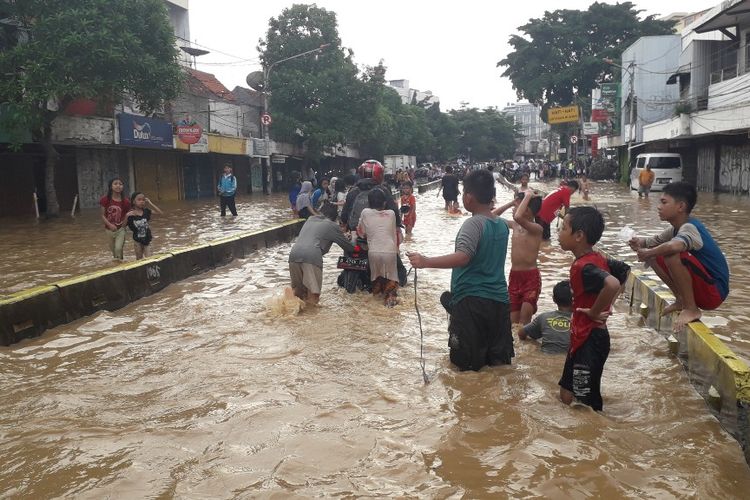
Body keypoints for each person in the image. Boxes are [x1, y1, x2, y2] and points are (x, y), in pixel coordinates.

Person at [408, 169, 514, 371]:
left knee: (464, 368)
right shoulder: (500, 225)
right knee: (499, 365)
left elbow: (464, 257)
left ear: (469, 197)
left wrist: (425, 261)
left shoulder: (472, 224)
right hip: (499, 302)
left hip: (471, 303)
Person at [628, 181, 729, 329]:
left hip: (714, 292)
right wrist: (638, 243)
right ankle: (681, 300)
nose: (658, 206)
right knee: (656, 252)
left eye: (664, 202)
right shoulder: (675, 229)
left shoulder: (690, 228)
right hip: (706, 288)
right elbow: (651, 241)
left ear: (680, 206)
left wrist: (647, 252)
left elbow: (673, 246)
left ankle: (691, 309)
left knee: (671, 253)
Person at [557, 206, 630, 411]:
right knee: (566, 393)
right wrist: (609, 303)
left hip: (590, 338)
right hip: (581, 337)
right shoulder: (598, 258)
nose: (559, 233)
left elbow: (613, 284)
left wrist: (596, 311)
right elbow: (624, 270)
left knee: (585, 406)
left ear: (579, 235)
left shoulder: (584, 267)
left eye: (563, 228)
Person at [492, 190, 544, 326]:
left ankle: (528, 346)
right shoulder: (515, 225)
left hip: (531, 278)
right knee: (512, 323)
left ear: (527, 210)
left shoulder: (537, 228)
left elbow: (518, 216)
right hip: (515, 277)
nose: (515, 209)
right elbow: (491, 216)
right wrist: (510, 203)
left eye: (517, 206)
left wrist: (527, 195)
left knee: (524, 322)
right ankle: (519, 348)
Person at [289, 204, 354, 305]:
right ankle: (310, 319)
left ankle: (286, 307)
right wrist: (355, 243)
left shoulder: (310, 220)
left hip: (293, 255)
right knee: (313, 295)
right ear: (334, 218)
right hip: (311, 257)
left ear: (320, 212)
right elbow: (349, 247)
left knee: (298, 293)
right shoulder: (332, 225)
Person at [358, 188, 401, 307]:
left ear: (369, 202)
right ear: (384, 202)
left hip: (373, 252)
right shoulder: (391, 214)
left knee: (376, 283)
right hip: (389, 251)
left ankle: (375, 309)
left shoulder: (365, 212)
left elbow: (361, 232)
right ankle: (390, 306)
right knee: (391, 281)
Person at [519, 280, 573, 354]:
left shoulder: (544, 317)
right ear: (575, 299)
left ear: (554, 299)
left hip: (546, 356)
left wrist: (536, 344)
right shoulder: (581, 321)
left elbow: (521, 333)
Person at [100, 177, 131, 261]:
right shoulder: (105, 199)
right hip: (108, 230)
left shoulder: (126, 202)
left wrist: (123, 227)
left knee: (118, 248)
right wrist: (109, 225)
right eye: (115, 184)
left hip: (120, 230)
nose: (118, 186)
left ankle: (120, 266)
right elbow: (102, 215)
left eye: (120, 184)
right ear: (111, 186)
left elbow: (127, 216)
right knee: (114, 252)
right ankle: (119, 266)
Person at [125, 192, 163, 260]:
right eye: (139, 200)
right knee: (139, 259)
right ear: (133, 202)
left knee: (150, 259)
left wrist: (150, 203)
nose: (142, 202)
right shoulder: (131, 214)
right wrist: (126, 216)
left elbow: (160, 213)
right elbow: (123, 226)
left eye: (143, 200)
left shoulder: (146, 211)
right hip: (137, 240)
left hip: (147, 239)